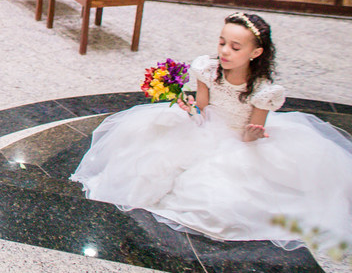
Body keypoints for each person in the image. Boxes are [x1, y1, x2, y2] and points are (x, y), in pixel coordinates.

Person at [72, 13, 352, 249]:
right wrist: (190, 107)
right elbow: (203, 107)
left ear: (255, 53)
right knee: (148, 160)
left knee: (216, 201)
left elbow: (251, 131)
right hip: (206, 128)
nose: (225, 51)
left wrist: (253, 135)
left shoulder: (263, 90)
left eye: (235, 47)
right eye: (222, 43)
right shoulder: (207, 69)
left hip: (239, 140)